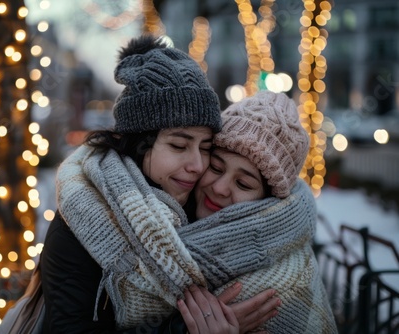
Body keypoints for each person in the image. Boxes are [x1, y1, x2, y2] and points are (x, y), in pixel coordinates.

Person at [42, 35, 283, 333]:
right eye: (179, 146)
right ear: (141, 143)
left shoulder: (199, 206)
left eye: (206, 147)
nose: (197, 165)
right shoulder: (81, 222)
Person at [179, 91, 338, 333]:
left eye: (243, 184)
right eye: (215, 167)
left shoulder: (277, 289)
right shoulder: (168, 214)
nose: (220, 188)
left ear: (267, 200)